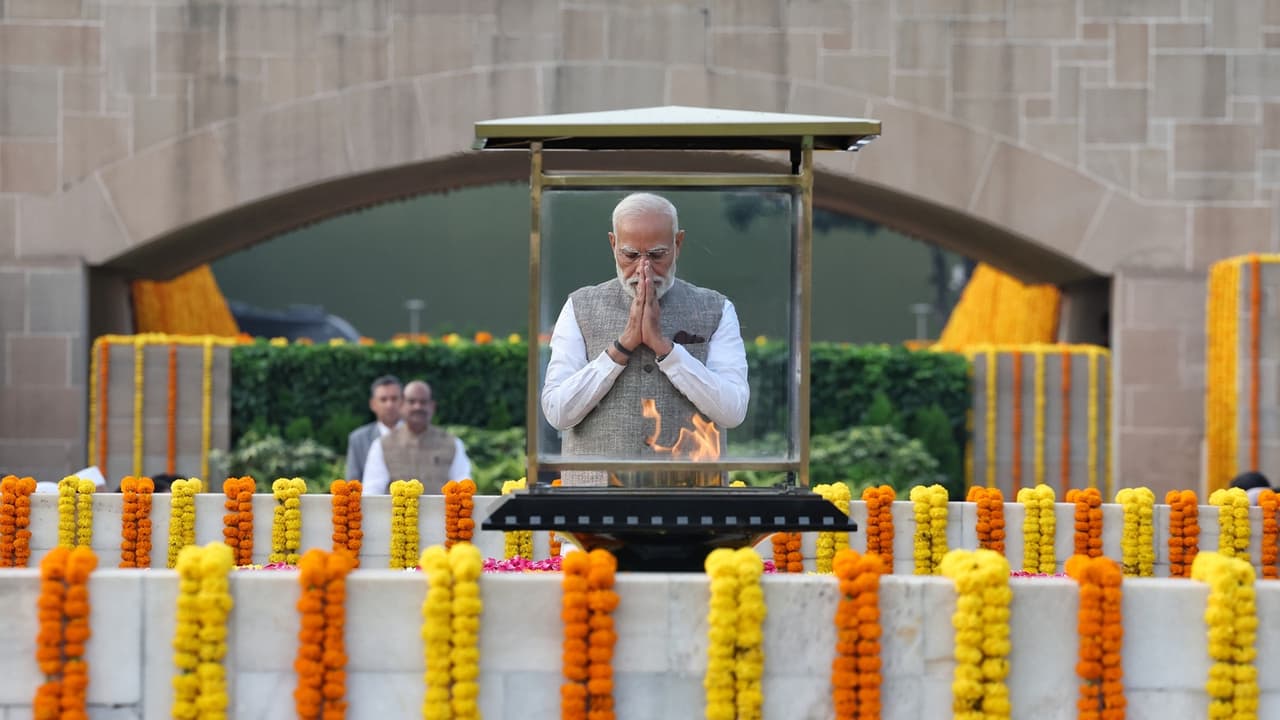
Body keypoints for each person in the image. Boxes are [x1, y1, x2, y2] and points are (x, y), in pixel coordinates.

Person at [540, 192, 750, 485]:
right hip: (593, 498)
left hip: (690, 495)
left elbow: (733, 410)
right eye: (630, 255)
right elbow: (557, 412)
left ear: (678, 243)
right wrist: (621, 348)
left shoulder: (716, 308)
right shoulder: (579, 306)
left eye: (657, 254)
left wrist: (667, 350)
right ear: (613, 244)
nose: (643, 269)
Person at [362, 380, 471, 494]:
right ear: (401, 405)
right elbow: (372, 490)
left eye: (423, 402)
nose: (417, 407)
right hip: (396, 506)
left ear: (432, 406)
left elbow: (463, 486)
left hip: (441, 506)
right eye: (411, 401)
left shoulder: (452, 443)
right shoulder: (382, 445)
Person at [345, 375, 404, 480]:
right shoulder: (358, 439)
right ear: (373, 404)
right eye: (383, 399)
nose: (389, 405)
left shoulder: (419, 435)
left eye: (394, 399)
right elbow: (353, 481)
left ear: (403, 402)